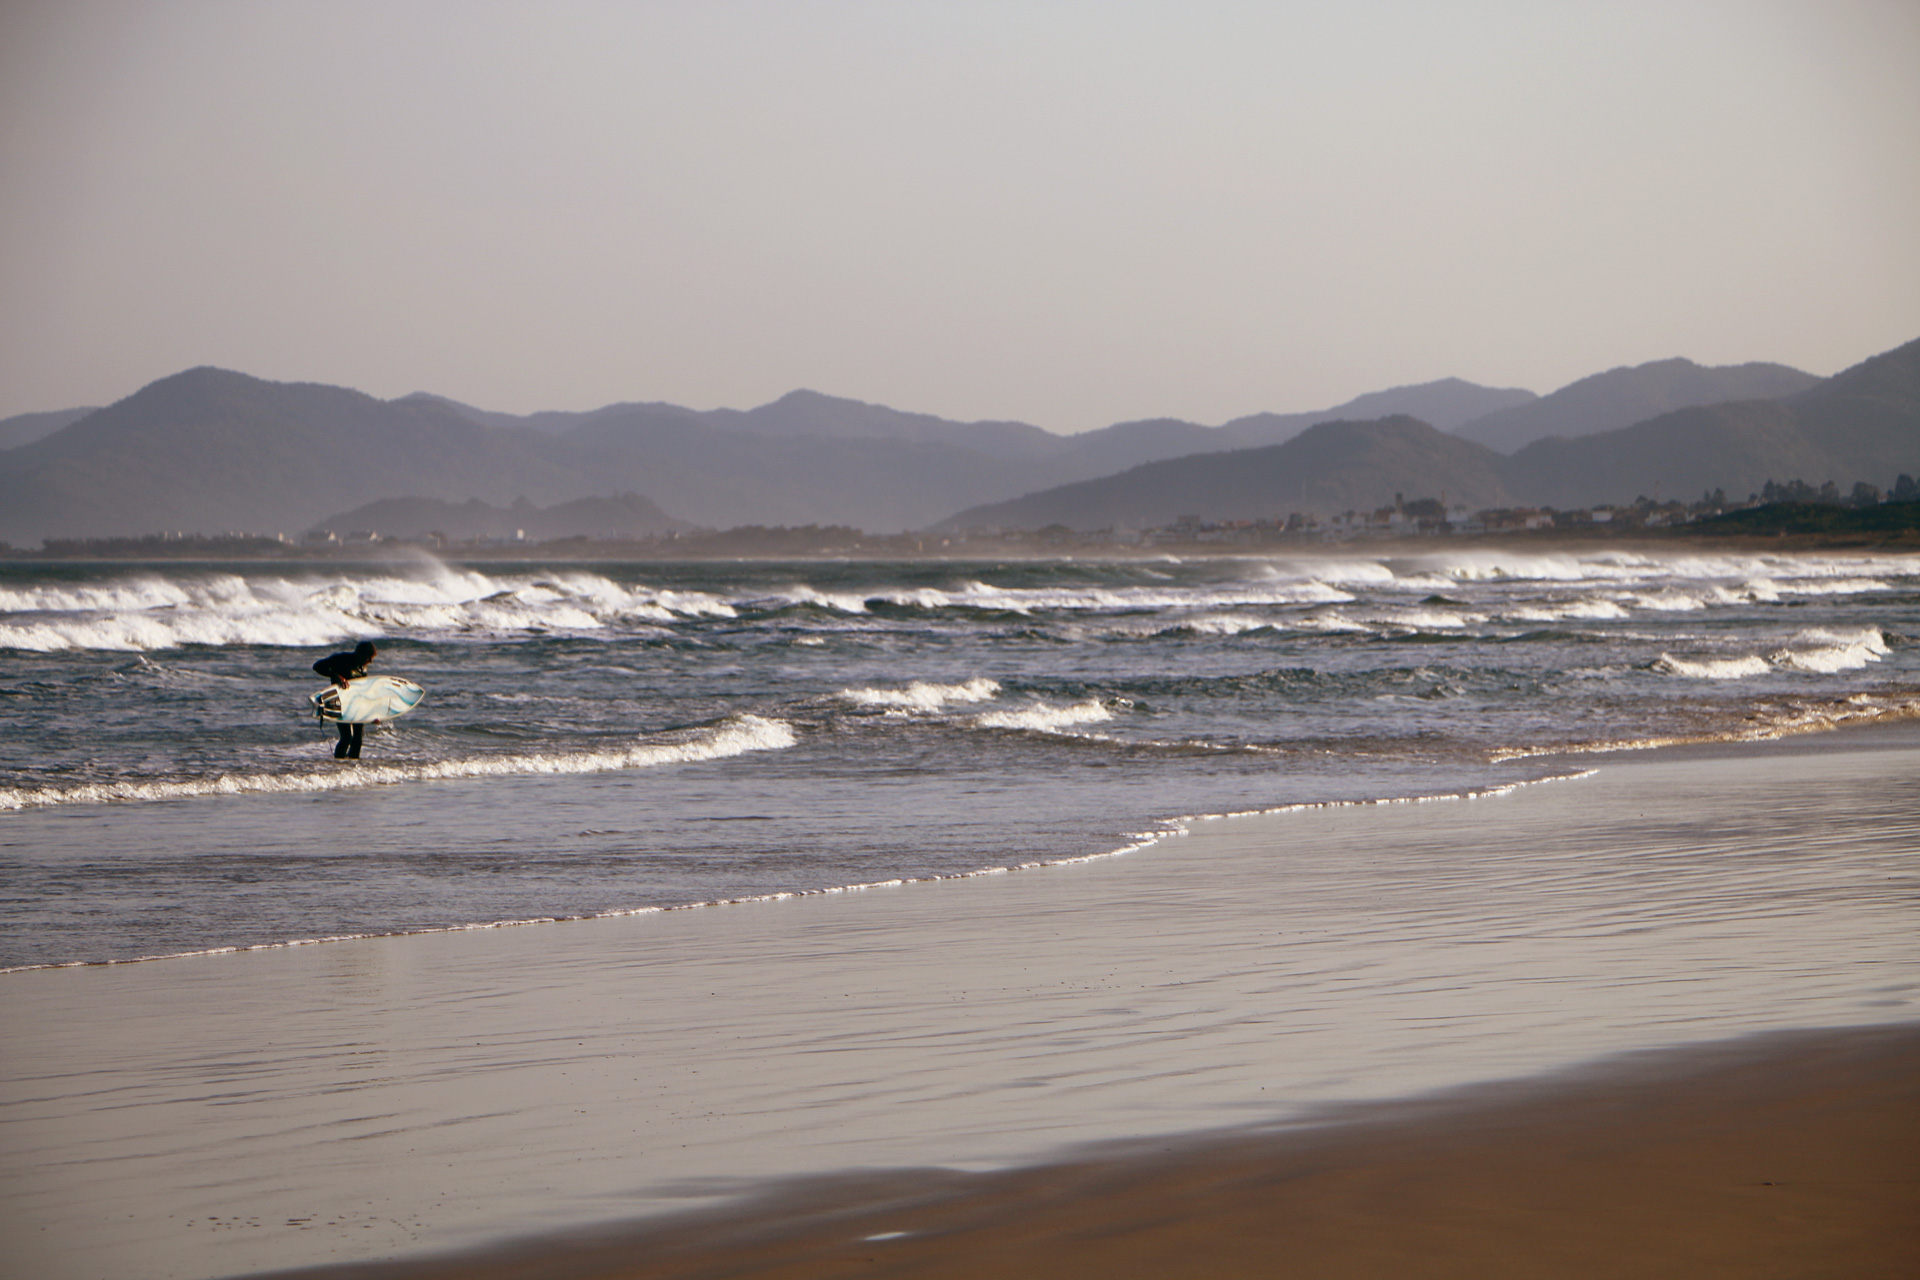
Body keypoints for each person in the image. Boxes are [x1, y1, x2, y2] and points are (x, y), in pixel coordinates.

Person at [313, 641, 378, 759]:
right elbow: (317, 666)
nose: (370, 662)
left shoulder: (363, 667)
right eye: (369, 658)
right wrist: (335, 675)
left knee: (357, 741)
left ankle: (351, 768)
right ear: (361, 654)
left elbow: (363, 690)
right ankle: (338, 765)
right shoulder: (341, 659)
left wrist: (371, 713)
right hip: (340, 703)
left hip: (357, 704)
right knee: (347, 737)